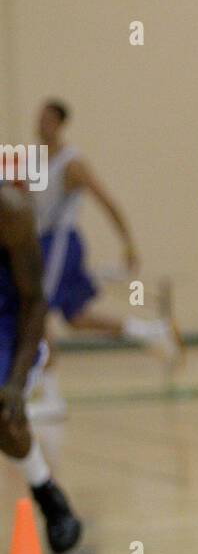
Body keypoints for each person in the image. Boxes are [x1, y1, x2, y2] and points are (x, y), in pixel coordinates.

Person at [29, 100, 181, 419]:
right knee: (76, 318)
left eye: (46, 119)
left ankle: (52, 396)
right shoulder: (35, 160)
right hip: (43, 241)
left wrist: (128, 243)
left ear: (59, 123)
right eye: (38, 118)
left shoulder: (72, 163)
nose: (40, 124)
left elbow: (105, 199)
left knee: (36, 311)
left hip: (61, 241)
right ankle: (153, 331)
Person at [0, 185, 81, 552]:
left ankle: (49, 496)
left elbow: (35, 301)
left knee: (5, 417)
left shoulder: (10, 211)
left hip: (7, 323)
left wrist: (16, 382)